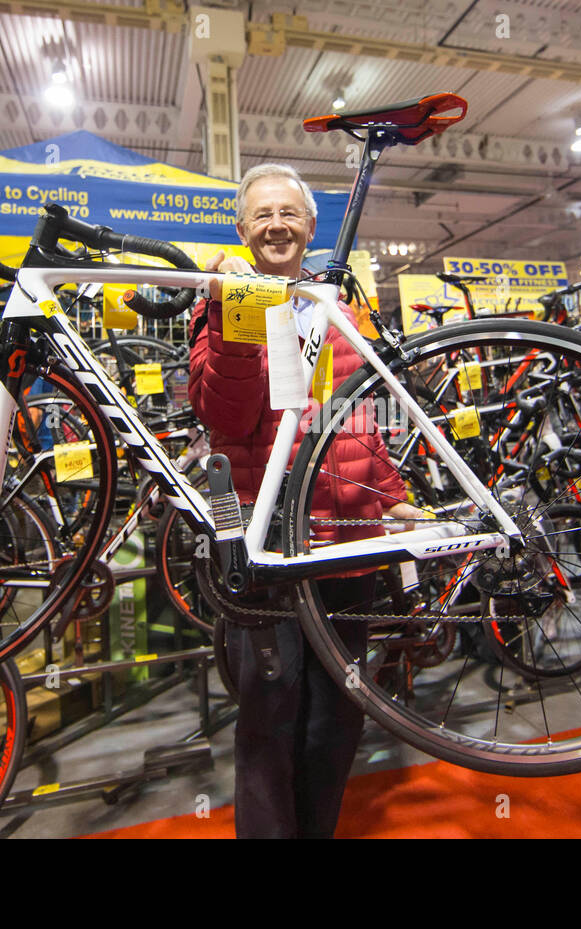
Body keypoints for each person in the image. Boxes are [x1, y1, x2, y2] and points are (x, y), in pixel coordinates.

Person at [188, 163, 418, 838]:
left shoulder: (333, 306)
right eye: (262, 215)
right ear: (241, 229)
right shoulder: (221, 302)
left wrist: (394, 494)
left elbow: (361, 417)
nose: (276, 225)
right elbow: (223, 415)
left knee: (337, 714)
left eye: (288, 213)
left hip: (348, 541)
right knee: (268, 714)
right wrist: (237, 316)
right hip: (269, 547)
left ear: (311, 227)